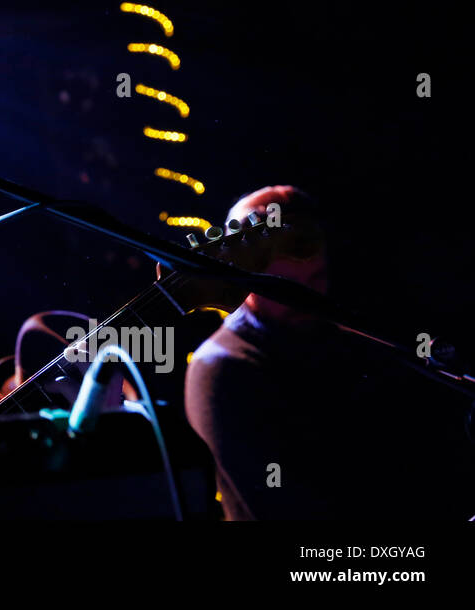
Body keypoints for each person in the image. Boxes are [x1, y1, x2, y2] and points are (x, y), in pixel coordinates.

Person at [183, 185, 471, 519]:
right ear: (245, 282)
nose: (308, 296)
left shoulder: (345, 334)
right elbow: (284, 501)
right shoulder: (222, 367)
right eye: (285, 286)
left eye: (317, 277)